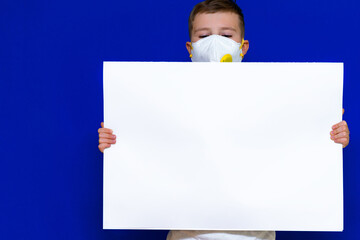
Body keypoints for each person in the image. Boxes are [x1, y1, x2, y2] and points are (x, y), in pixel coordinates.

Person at [98, 0, 350, 239]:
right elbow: (150, 148)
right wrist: (118, 144)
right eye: (204, 36)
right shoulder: (162, 101)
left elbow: (294, 144)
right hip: (187, 235)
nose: (215, 42)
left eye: (227, 36)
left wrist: (328, 138)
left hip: (255, 235)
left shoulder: (275, 98)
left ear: (243, 46)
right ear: (190, 47)